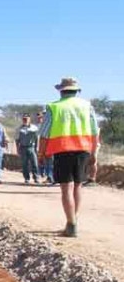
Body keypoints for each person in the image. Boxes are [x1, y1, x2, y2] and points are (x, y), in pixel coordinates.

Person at [38, 77, 99, 237]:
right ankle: (74, 221)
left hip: (63, 149)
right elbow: (94, 131)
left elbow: (44, 133)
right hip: (83, 149)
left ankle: (70, 225)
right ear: (76, 91)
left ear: (60, 90)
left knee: (66, 188)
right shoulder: (87, 106)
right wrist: (94, 153)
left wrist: (41, 153)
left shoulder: (53, 107)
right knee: (78, 186)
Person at [15, 113, 40, 184]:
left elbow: (37, 138)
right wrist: (17, 149)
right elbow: (17, 140)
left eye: (27, 119)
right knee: (24, 164)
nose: (25, 120)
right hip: (23, 148)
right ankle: (27, 178)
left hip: (31, 147)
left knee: (34, 163)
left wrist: (37, 148)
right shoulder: (19, 129)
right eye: (24, 119)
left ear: (29, 119)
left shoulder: (34, 128)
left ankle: (36, 178)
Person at [36, 111, 54, 184]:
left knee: (50, 163)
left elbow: (43, 138)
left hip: (50, 147)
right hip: (45, 148)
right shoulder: (40, 125)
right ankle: (49, 176)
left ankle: (51, 177)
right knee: (47, 163)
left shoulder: (47, 125)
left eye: (43, 115)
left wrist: (41, 151)